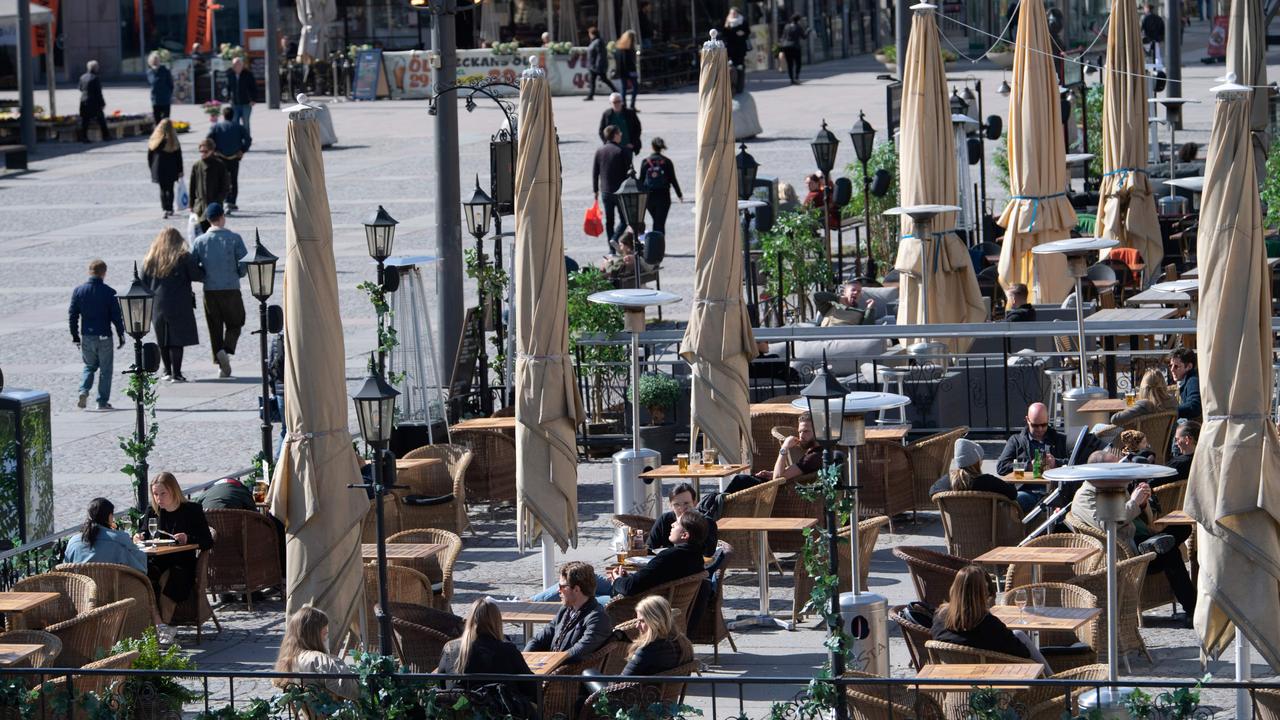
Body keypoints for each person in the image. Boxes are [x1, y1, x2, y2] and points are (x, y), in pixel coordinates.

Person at [1071, 474, 1195, 623]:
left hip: (1139, 537)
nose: (1118, 475)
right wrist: (1134, 502)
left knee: (1183, 528)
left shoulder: (1112, 488)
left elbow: (1145, 520)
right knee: (1171, 554)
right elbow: (1109, 524)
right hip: (1125, 551)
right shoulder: (1086, 496)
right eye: (1114, 470)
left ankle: (1153, 545)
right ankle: (1193, 611)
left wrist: (1143, 503)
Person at [136, 472, 214, 623]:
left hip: (182, 562)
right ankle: (150, 625)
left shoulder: (191, 510)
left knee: (173, 582)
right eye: (155, 494)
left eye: (163, 493)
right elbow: (144, 532)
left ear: (174, 491)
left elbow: (208, 541)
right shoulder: (153, 511)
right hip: (158, 561)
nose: (159, 498)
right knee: (141, 579)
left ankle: (164, 626)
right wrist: (138, 536)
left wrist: (188, 538)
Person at [930, 566, 1047, 667]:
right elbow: (1023, 652)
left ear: (955, 588)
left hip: (950, 679)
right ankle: (1054, 682)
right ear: (982, 593)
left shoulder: (939, 618)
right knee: (1019, 634)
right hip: (992, 683)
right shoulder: (987, 624)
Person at [439, 598, 536, 701]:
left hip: (459, 712)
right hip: (500, 713)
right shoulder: (508, 650)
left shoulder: (451, 649)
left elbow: (441, 684)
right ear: (497, 623)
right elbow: (532, 688)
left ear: (469, 621)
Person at [192, 203, 249, 378]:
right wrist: (238, 273)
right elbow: (245, 262)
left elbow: (193, 266)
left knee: (214, 327)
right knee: (236, 322)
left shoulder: (200, 241)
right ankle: (226, 349)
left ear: (208, 220)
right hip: (231, 288)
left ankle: (221, 366)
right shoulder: (234, 238)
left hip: (210, 290)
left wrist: (205, 276)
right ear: (222, 217)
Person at [141, 228, 204, 383]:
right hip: (179, 303)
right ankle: (177, 373)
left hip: (158, 304)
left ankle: (167, 371)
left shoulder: (150, 259)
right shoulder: (183, 257)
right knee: (177, 339)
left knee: (163, 339)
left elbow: (143, 283)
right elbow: (198, 275)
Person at [525, 561, 616, 662]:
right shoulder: (565, 610)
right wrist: (525, 658)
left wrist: (548, 662)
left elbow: (576, 652)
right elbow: (539, 639)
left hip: (565, 673)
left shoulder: (597, 618)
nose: (558, 591)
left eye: (561, 587)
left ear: (576, 589)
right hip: (549, 667)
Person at [607, 511, 708, 599]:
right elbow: (649, 578)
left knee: (595, 597)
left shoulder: (669, 557)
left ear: (685, 535)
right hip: (666, 606)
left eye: (676, 523)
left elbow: (629, 588)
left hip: (640, 608)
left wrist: (617, 580)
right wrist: (629, 577)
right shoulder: (696, 556)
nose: (672, 524)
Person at [68, 259, 125, 411]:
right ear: (104, 273)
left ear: (90, 272)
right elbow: (116, 316)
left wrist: (75, 336)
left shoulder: (79, 291)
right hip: (104, 336)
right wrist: (121, 334)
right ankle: (102, 401)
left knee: (89, 366)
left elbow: (73, 315)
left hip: (87, 336)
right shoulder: (109, 292)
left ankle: (83, 390)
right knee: (106, 370)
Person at [272, 605, 359, 701]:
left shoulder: (287, 661)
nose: (325, 638)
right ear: (314, 635)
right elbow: (354, 691)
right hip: (330, 713)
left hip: (307, 715)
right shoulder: (320, 660)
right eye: (324, 633)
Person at [63, 497, 147, 574]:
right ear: (110, 516)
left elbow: (65, 570)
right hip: (115, 589)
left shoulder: (73, 541)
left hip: (82, 589)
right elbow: (140, 567)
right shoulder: (119, 538)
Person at [929, 438, 1019, 504]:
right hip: (987, 527)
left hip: (955, 528)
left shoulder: (947, 481)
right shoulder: (987, 481)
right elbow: (1012, 494)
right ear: (977, 462)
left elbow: (931, 492)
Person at [620, 596, 693, 676]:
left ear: (655, 622)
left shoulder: (646, 650)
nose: (637, 626)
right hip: (669, 688)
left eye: (642, 621)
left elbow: (622, 681)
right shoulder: (684, 644)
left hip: (643, 688)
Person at [646, 483, 719, 557]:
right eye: (676, 504)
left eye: (686, 503)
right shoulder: (664, 520)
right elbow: (650, 547)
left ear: (694, 503)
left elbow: (709, 552)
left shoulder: (706, 522)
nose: (681, 508)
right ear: (670, 505)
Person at [995, 402, 1068, 476]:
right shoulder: (1016, 441)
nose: (1040, 429)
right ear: (1027, 420)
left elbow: (1076, 464)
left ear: (1048, 419)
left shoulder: (1060, 439)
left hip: (1054, 486)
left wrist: (1056, 463)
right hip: (1025, 486)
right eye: (1035, 425)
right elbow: (1002, 467)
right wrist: (1028, 466)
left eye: (1044, 425)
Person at [593, 125, 634, 246]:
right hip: (619, 192)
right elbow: (630, 172)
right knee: (624, 220)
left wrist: (595, 190)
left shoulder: (600, 151)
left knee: (609, 221)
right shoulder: (621, 151)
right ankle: (615, 239)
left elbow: (595, 172)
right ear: (615, 135)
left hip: (605, 191)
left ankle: (611, 247)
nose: (621, 135)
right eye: (619, 133)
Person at [208, 106, 252, 213]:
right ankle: (231, 201)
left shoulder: (216, 127)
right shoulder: (238, 127)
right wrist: (242, 150)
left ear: (223, 116)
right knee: (233, 179)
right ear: (233, 115)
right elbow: (248, 139)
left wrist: (214, 151)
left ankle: (221, 200)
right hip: (234, 157)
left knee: (220, 179)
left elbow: (209, 139)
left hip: (220, 157)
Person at [639, 137, 682, 234]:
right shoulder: (667, 161)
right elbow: (673, 179)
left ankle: (656, 243)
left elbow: (641, 180)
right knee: (660, 223)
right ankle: (658, 244)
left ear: (652, 147)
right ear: (662, 147)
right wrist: (679, 194)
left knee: (656, 221)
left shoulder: (645, 162)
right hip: (664, 196)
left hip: (649, 197)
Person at [189, 139, 230, 233]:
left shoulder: (219, 165)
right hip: (200, 206)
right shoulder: (197, 165)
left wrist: (218, 200)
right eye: (201, 151)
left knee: (215, 232)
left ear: (212, 151)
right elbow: (192, 186)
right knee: (201, 232)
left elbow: (225, 186)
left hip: (214, 206)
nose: (202, 154)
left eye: (205, 151)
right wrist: (191, 204)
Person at [147, 119, 184, 219]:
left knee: (162, 189)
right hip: (172, 168)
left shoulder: (155, 139)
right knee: (170, 189)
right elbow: (178, 156)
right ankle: (170, 208)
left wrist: (151, 168)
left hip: (159, 168)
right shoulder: (174, 140)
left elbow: (150, 156)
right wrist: (180, 170)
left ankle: (165, 208)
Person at [1112, 369, 1177, 424]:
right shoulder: (1172, 400)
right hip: (1166, 438)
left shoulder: (1144, 405)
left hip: (1139, 438)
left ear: (1143, 387)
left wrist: (1129, 408)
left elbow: (1115, 419)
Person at [78, 60, 109, 143]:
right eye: (97, 67)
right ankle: (106, 136)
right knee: (101, 118)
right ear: (95, 68)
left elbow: (80, 88)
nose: (98, 68)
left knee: (85, 120)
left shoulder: (82, 77)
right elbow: (98, 92)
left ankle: (84, 137)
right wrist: (102, 103)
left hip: (83, 100)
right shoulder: (95, 78)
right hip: (93, 102)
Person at [584, 26, 617, 101]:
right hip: (592, 65)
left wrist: (598, 65)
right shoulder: (594, 42)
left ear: (592, 34)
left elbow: (600, 55)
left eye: (589, 33)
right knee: (592, 81)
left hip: (597, 65)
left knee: (604, 79)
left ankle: (615, 91)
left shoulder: (598, 42)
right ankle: (590, 95)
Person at [722, 7, 750, 93]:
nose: (733, 14)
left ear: (737, 13)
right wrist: (726, 25)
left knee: (740, 66)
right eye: (731, 13)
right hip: (731, 47)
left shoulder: (742, 21)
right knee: (731, 66)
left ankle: (740, 86)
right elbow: (724, 34)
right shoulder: (728, 21)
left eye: (734, 13)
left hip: (740, 46)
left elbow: (748, 31)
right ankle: (732, 86)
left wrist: (743, 33)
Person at [226, 56, 256, 135]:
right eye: (235, 65)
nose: (237, 66)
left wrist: (253, 99)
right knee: (235, 122)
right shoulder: (230, 75)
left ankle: (247, 140)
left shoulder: (248, 74)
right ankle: (236, 141)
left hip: (246, 103)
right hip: (235, 103)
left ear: (242, 65)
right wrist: (228, 98)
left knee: (245, 123)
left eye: (239, 64)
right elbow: (228, 88)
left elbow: (253, 88)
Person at [1168, 349, 1201, 421]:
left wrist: (1169, 411)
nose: (1172, 369)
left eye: (1176, 366)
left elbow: (1194, 406)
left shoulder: (1193, 380)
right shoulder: (1187, 380)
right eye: (1171, 365)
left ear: (1189, 366)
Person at [614, 30, 639, 110]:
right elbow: (630, 61)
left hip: (621, 70)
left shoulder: (619, 47)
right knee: (635, 86)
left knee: (623, 88)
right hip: (630, 70)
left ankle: (623, 105)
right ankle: (632, 105)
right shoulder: (629, 48)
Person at [147, 52, 174, 122]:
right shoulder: (149, 72)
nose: (155, 62)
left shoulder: (165, 70)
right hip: (155, 100)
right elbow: (152, 83)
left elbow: (171, 84)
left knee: (165, 121)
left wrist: (168, 94)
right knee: (157, 121)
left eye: (156, 60)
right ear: (150, 62)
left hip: (165, 99)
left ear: (159, 61)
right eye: (153, 61)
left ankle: (166, 133)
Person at [779, 15, 806, 84]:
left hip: (786, 46)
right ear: (798, 20)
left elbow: (783, 37)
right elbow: (804, 37)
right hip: (795, 47)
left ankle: (791, 79)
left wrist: (781, 46)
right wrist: (808, 30)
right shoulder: (798, 27)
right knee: (798, 63)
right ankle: (796, 77)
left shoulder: (786, 26)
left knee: (789, 64)